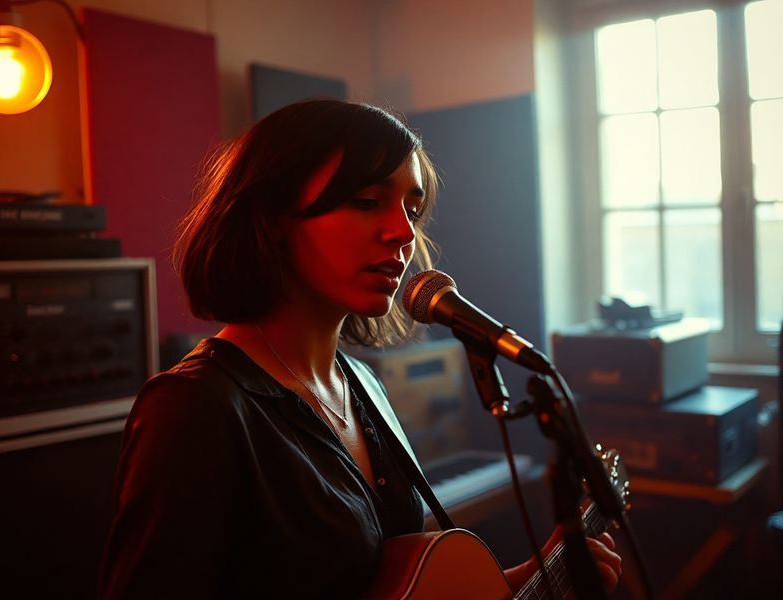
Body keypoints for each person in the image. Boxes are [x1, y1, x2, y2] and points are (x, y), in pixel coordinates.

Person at [97, 98, 622, 598]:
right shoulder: (195, 407)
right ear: (273, 219)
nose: (402, 234)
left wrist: (530, 581)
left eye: (412, 211)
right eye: (368, 202)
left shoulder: (362, 384)